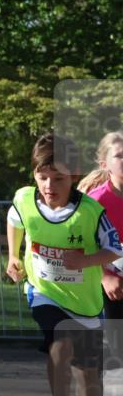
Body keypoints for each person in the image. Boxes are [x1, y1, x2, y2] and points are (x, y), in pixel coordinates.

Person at [6, 132, 123, 396]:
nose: (48, 185)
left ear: (73, 176)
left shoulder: (89, 211)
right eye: (42, 177)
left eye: (57, 178)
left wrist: (85, 261)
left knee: (87, 372)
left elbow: (113, 248)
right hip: (44, 291)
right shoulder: (25, 199)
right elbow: (15, 219)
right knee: (60, 344)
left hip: (84, 300)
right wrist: (13, 257)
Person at [77, 131, 123, 320]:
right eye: (119, 155)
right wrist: (105, 276)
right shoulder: (95, 201)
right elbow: (80, 245)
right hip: (112, 286)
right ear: (105, 164)